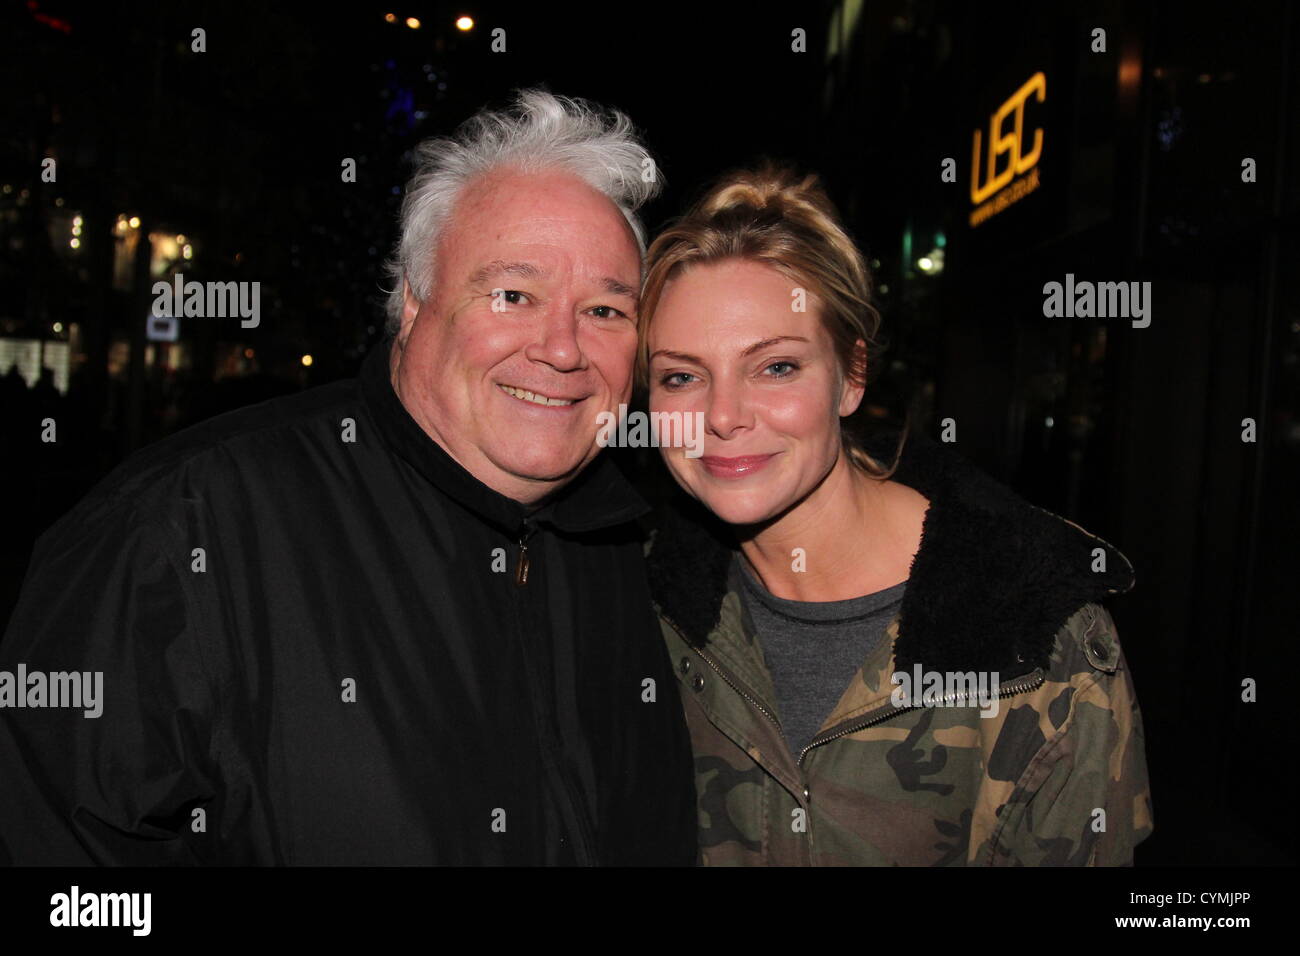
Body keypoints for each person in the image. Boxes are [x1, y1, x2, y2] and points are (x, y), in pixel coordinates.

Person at [0, 90, 697, 866]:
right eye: (513, 294)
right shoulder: (183, 530)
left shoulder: (629, 553)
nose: (563, 349)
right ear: (412, 299)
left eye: (605, 311)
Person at [637, 164, 1153, 865]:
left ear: (852, 376)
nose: (722, 416)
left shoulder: (1044, 645)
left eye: (777, 367)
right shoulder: (639, 606)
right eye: (681, 376)